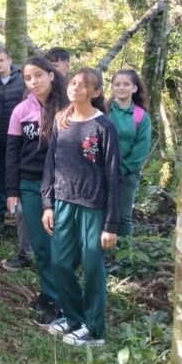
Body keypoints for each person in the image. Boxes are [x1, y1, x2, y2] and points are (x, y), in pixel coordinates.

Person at [42, 68, 121, 347]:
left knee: (91, 265)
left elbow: (114, 175)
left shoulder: (104, 126)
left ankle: (94, 329)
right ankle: (74, 318)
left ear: (96, 92)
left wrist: (111, 225)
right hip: (63, 202)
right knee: (61, 263)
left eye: (84, 85)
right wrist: (48, 203)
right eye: (73, 83)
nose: (75, 88)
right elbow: (51, 163)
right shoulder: (61, 120)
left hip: (93, 206)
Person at [4, 56, 68, 326]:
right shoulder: (21, 110)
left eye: (38, 75)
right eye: (28, 78)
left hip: (64, 185)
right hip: (30, 184)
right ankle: (51, 295)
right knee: (41, 245)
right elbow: (12, 151)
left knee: (60, 244)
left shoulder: (68, 107)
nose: (34, 81)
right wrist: (12, 190)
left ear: (51, 75)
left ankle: (63, 298)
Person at [108, 69, 152, 237]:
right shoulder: (104, 110)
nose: (121, 88)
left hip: (127, 174)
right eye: (117, 84)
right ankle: (102, 253)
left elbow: (141, 148)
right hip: (101, 171)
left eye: (126, 84)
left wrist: (123, 169)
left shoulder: (141, 116)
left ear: (134, 88)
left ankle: (125, 256)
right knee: (101, 213)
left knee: (123, 215)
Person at [0, 48, 25, 226]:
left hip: (19, 137)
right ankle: (4, 211)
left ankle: (18, 214)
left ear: (9, 60)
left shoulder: (23, 81)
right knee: (0, 175)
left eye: (1, 60)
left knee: (16, 174)